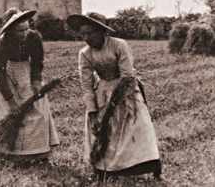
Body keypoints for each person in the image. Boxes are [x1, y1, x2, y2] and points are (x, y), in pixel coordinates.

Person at [67, 13, 162, 180]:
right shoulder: (84, 53)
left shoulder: (119, 45)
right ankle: (107, 167)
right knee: (104, 129)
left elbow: (127, 75)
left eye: (90, 33)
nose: (86, 38)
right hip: (102, 90)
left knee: (135, 126)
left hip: (126, 89)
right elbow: (86, 85)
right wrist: (92, 109)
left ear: (102, 32)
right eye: (83, 34)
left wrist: (115, 102)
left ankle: (146, 164)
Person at [0, 8, 59, 160]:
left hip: (27, 71)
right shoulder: (3, 40)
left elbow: (38, 62)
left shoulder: (34, 37)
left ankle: (37, 152)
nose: (24, 33)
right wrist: (10, 100)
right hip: (8, 73)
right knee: (9, 113)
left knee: (37, 110)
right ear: (11, 31)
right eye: (20, 31)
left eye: (26, 29)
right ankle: (10, 153)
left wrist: (37, 82)